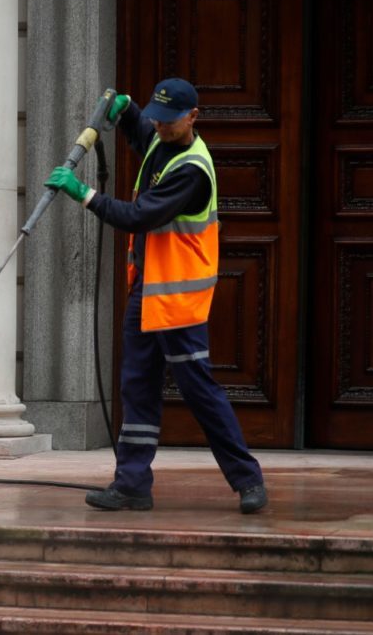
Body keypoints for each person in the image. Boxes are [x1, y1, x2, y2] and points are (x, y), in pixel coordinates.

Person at [44, 77, 268, 514]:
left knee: (200, 393)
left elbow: (139, 216)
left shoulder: (193, 171)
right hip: (147, 292)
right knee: (137, 388)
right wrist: (127, 110)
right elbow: (143, 136)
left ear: (193, 117)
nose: (160, 128)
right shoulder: (161, 138)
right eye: (156, 119)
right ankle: (131, 484)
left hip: (179, 302)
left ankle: (248, 481)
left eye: (168, 122)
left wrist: (83, 194)